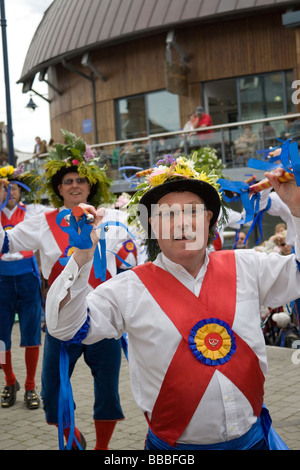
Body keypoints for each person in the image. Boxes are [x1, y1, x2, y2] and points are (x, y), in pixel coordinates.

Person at [46, 154, 300, 450]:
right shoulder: (128, 289)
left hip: (257, 442)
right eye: (167, 214)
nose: (182, 223)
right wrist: (82, 256)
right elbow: (63, 328)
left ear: (210, 219)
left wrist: (297, 210)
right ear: (152, 226)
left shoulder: (249, 266)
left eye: (193, 211)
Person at [0, 129, 137, 450]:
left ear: (91, 185)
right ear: (58, 189)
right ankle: (71, 438)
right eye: (68, 182)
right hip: (62, 322)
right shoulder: (42, 222)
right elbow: (5, 243)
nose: (75, 186)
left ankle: (102, 450)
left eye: (80, 181)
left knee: (107, 396)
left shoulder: (114, 218)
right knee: (50, 394)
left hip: (106, 325)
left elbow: (141, 255)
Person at [0, 164, 48, 409]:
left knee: (31, 335)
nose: (10, 192)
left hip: (27, 278)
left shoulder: (32, 211)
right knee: (0, 339)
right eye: (5, 188)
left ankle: (30, 386)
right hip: (1, 280)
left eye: (14, 188)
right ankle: (9, 381)